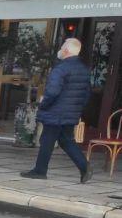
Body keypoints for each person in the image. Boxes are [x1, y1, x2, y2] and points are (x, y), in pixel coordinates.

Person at [21, 38, 93, 183]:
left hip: (55, 112)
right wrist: (76, 110)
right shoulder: (84, 69)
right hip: (70, 113)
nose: (60, 50)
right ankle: (84, 167)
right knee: (66, 141)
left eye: (61, 48)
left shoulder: (61, 68)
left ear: (66, 50)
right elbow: (86, 94)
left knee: (47, 140)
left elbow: (52, 92)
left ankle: (40, 171)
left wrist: (43, 104)